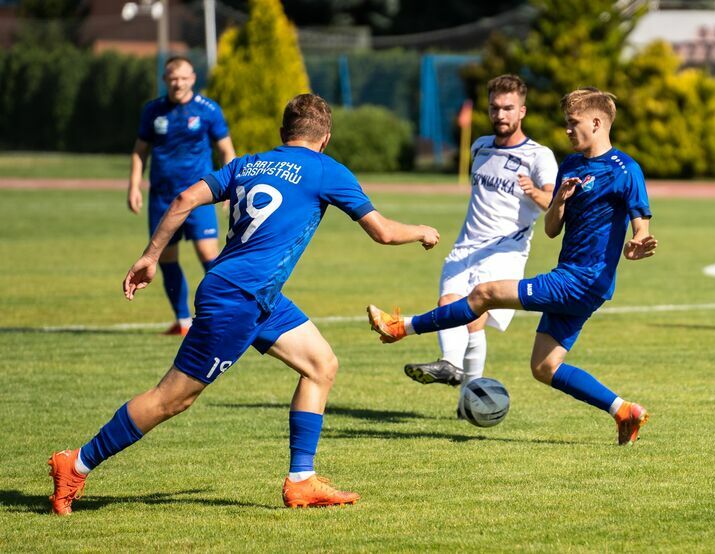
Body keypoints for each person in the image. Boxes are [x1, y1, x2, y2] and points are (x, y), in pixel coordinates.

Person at [48, 93, 441, 515]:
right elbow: (381, 231)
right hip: (237, 300)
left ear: (282, 134)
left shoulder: (246, 164)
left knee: (321, 365)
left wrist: (149, 257)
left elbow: (182, 200)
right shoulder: (328, 170)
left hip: (253, 293)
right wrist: (421, 230)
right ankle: (77, 462)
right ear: (325, 137)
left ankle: (301, 481)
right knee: (172, 399)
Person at [368, 87, 657, 445]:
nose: (567, 130)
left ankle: (402, 327)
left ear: (597, 123)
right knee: (544, 368)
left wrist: (638, 241)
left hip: (581, 280)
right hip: (574, 278)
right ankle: (623, 411)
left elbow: (640, 223)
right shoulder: (571, 165)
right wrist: (560, 203)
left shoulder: (625, 169)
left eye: (573, 123)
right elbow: (551, 230)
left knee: (485, 293)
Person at [402, 75, 558, 410]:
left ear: (522, 111)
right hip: (465, 247)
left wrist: (537, 193)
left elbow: (555, 202)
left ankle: (459, 381)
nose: (501, 114)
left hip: (506, 250)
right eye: (495, 107)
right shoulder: (479, 147)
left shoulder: (539, 156)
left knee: (474, 315)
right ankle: (460, 385)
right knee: (449, 304)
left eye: (508, 108)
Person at [128, 55, 236, 336]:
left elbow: (226, 150)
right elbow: (140, 151)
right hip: (162, 198)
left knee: (208, 253)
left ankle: (225, 312)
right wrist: (134, 185)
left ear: (193, 79)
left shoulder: (208, 110)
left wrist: (230, 188)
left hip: (199, 196)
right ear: (165, 80)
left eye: (183, 78)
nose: (178, 83)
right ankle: (183, 322)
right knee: (165, 258)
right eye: (172, 78)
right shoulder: (153, 111)